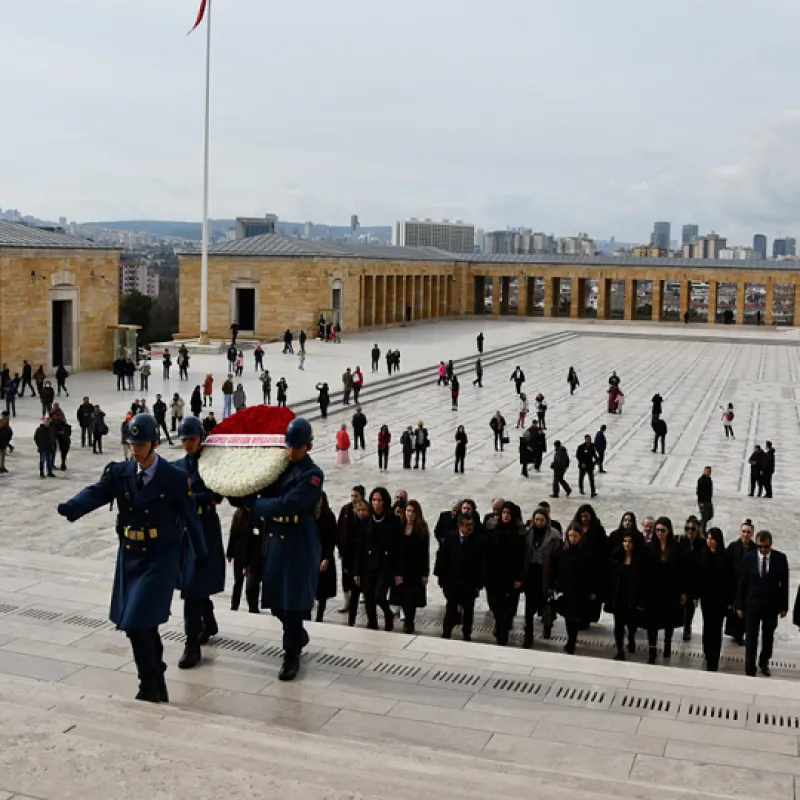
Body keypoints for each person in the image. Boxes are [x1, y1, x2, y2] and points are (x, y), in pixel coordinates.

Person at [57, 413, 208, 702]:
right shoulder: (121, 472)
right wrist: (73, 507)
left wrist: (201, 556)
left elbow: (191, 519)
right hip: (130, 555)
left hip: (160, 557)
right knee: (138, 623)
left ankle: (148, 683)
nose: (135, 450)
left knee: (137, 620)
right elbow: (98, 492)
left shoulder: (174, 478)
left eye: (140, 444)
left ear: (154, 443)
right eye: (132, 444)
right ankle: (154, 680)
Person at [231, 417, 323, 681]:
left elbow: (285, 504)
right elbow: (259, 485)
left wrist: (253, 505)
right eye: (289, 446)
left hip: (298, 540)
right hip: (275, 538)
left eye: (297, 447)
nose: (292, 451)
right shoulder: (278, 467)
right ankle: (297, 634)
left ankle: (291, 654)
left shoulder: (313, 475)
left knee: (292, 601)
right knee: (274, 600)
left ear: (309, 446)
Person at [174, 417, 226, 668]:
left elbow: (218, 495)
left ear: (201, 438)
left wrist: (191, 499)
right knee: (191, 583)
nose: (187, 444)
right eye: (184, 440)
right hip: (184, 530)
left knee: (193, 587)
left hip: (205, 528)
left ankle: (191, 645)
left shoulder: (211, 464)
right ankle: (209, 620)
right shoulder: (177, 467)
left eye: (191, 439)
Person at [738, 530, 789, 677]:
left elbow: (784, 584)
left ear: (770, 545)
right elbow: (742, 583)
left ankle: (764, 661)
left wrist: (784, 606)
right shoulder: (748, 558)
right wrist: (740, 605)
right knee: (751, 637)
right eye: (760, 546)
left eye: (766, 547)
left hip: (771, 605)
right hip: (752, 603)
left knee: (768, 636)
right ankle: (749, 667)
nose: (763, 550)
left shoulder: (780, 558)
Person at [353, 486, 399, 631]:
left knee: (379, 595)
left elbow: (399, 548)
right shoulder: (366, 520)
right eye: (374, 500)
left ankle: (388, 614)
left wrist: (399, 571)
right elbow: (360, 546)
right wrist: (356, 571)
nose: (376, 503)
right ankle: (372, 623)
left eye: (379, 500)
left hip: (386, 565)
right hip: (368, 563)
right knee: (368, 595)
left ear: (385, 502)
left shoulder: (393, 520)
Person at [435, 512, 486, 642]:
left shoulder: (478, 540)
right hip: (452, 580)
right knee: (450, 607)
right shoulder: (450, 537)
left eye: (471, 525)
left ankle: (467, 633)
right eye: (467, 525)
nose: (470, 528)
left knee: (468, 609)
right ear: (460, 526)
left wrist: (479, 584)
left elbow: (481, 563)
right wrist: (441, 579)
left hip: (469, 582)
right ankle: (446, 631)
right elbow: (442, 559)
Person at [642, 517, 686, 665]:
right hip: (653, 591)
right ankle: (652, 652)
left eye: (663, 530)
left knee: (669, 619)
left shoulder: (676, 548)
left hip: (670, 590)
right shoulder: (649, 548)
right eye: (658, 530)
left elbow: (682, 571)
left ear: (669, 531)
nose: (659, 533)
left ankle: (667, 644)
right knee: (652, 622)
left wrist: (683, 592)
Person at [554, 522, 599, 655]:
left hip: (581, 589)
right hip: (566, 588)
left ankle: (572, 640)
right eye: (570, 536)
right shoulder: (563, 550)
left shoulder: (586, 552)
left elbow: (592, 572)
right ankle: (570, 640)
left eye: (575, 536)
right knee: (568, 617)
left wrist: (593, 590)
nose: (573, 539)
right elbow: (557, 569)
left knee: (576, 616)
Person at [485, 502, 526, 646]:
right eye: (504, 513)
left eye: (509, 513)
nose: (506, 516)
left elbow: (522, 557)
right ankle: (500, 626)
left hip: (511, 577)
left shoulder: (519, 533)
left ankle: (503, 636)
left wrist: (519, 578)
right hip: (494, 576)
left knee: (507, 609)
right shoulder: (493, 530)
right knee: (495, 605)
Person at [522, 507, 561, 647]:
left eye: (541, 520)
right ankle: (528, 635)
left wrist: (554, 581)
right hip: (532, 572)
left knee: (545, 604)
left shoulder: (554, 536)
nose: (539, 522)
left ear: (547, 520)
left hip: (546, 573)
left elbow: (557, 559)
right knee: (529, 606)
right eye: (536, 519)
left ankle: (547, 625)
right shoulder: (528, 533)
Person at [391, 500, 430, 634]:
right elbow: (394, 551)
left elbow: (425, 553)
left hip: (415, 569)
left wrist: (425, 573)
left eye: (413, 511)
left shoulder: (422, 529)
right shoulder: (398, 527)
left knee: (411, 598)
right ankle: (404, 619)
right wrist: (395, 571)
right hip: (401, 568)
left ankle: (409, 621)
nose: (410, 514)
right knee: (402, 596)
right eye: (408, 511)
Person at [698, 527, 733, 671]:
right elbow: (698, 577)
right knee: (707, 625)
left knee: (716, 627)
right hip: (706, 598)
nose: (709, 541)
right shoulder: (703, 555)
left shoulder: (725, 557)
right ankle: (707, 652)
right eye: (708, 538)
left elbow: (730, 579)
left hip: (720, 599)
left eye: (712, 538)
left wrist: (730, 601)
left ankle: (714, 656)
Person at [606, 533, 644, 660]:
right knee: (618, 625)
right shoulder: (616, 557)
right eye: (625, 541)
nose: (627, 544)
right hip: (619, 596)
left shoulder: (639, 560)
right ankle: (620, 650)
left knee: (632, 623)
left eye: (630, 541)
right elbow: (611, 578)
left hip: (633, 597)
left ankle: (631, 637)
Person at [725, 519, 756, 646]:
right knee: (733, 610)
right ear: (740, 532)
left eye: (748, 532)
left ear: (752, 534)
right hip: (733, 583)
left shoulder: (755, 548)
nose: (745, 534)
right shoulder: (733, 546)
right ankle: (734, 633)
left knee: (744, 611)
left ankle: (740, 634)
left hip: (749, 585)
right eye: (743, 532)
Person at [336, 485, 365, 614]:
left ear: (362, 496)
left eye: (356, 496)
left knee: (361, 575)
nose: (353, 499)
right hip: (347, 550)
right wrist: (340, 546)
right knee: (346, 576)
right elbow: (339, 528)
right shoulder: (345, 509)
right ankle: (346, 601)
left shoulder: (366, 509)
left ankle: (363, 596)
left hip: (361, 550)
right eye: (352, 496)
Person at [679, 515, 706, 641]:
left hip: (695, 580)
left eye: (692, 529)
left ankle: (687, 627)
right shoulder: (680, 542)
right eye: (687, 528)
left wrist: (696, 593)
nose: (690, 531)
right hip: (682, 577)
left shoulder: (702, 544)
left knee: (690, 606)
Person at [313, 492, 338, 622]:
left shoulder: (329, 517)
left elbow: (331, 540)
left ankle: (319, 616)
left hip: (324, 555)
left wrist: (327, 558)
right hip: (310, 555)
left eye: (320, 500)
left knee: (322, 590)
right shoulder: (308, 515)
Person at [696, 465, 713, 533]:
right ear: (704, 471)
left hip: (708, 501)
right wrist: (701, 502)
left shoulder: (709, 479)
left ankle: (700, 523)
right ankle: (703, 530)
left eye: (710, 472)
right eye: (708, 471)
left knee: (710, 515)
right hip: (702, 502)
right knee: (704, 516)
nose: (709, 473)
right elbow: (699, 492)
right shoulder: (701, 480)